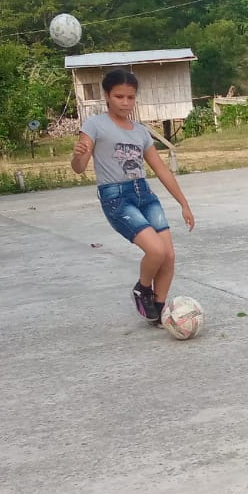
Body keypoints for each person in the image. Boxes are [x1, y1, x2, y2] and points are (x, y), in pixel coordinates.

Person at [70, 69, 195, 323]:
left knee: (169, 256)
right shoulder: (95, 125)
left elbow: (161, 169)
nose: (125, 103)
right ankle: (142, 288)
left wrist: (184, 203)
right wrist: (78, 155)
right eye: (119, 97)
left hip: (144, 194)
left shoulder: (140, 131)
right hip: (116, 198)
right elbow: (79, 167)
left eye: (130, 97)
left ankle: (158, 311)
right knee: (156, 251)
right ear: (107, 96)